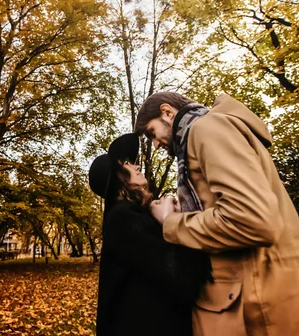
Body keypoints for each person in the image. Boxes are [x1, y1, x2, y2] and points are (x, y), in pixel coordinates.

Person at [135, 92, 299, 336]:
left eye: (152, 133)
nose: (155, 144)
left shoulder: (206, 129)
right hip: (266, 296)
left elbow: (251, 219)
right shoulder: (207, 132)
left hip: (259, 306)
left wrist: (171, 221)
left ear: (167, 112)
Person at [88, 133, 210, 336]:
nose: (136, 166)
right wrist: (170, 221)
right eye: (127, 163)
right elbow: (181, 279)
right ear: (118, 176)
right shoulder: (122, 218)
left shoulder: (131, 214)